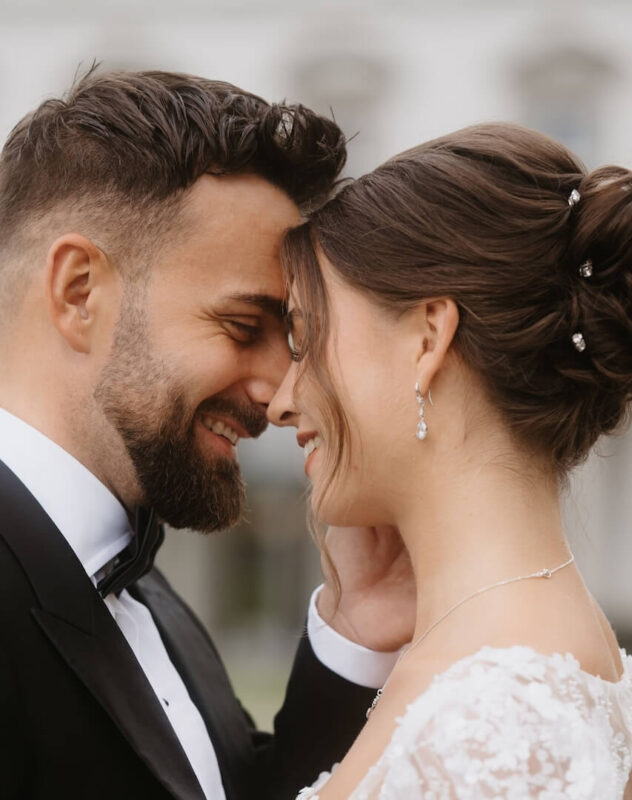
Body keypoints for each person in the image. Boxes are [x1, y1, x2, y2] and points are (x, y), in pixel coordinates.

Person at [0, 70, 414, 800]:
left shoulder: (141, 582)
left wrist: (357, 630)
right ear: (78, 292)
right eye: (242, 326)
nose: (281, 392)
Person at [267, 123, 632, 798]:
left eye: (303, 335)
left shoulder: (495, 724)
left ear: (427, 338)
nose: (280, 400)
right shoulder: (512, 660)